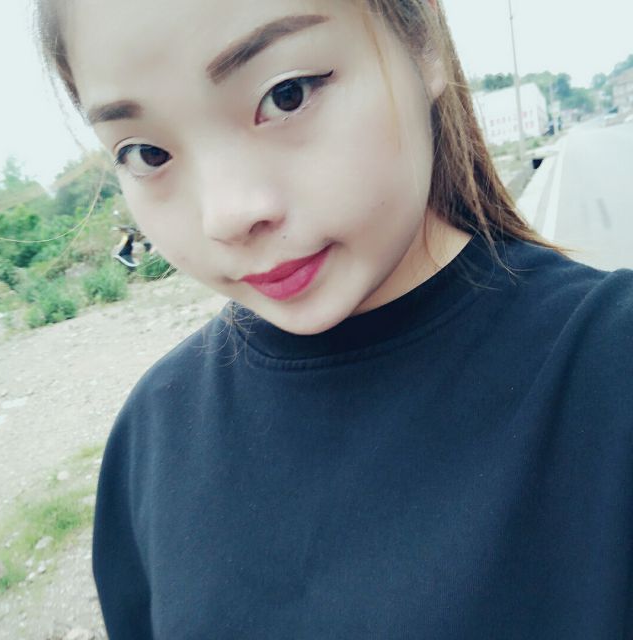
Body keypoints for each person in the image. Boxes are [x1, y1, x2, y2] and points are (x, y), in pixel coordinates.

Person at [34, 1, 633, 638]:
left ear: (421, 42)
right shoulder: (151, 436)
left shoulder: (609, 370)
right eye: (148, 153)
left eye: (286, 95)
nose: (226, 215)